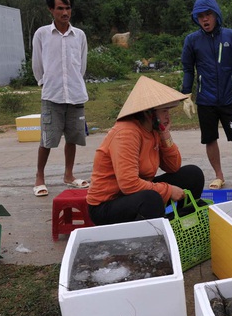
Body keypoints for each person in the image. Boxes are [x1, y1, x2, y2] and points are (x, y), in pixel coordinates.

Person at [87, 76, 205, 225]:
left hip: (135, 193)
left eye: (168, 110)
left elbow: (173, 166)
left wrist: (165, 135)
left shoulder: (154, 129)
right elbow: (129, 184)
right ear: (148, 113)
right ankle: (158, 234)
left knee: (192, 175)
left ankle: (185, 225)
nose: (168, 115)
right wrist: (168, 190)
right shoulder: (126, 133)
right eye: (164, 111)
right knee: (151, 199)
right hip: (107, 205)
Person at [181, 0, 232, 191]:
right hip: (206, 100)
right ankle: (219, 176)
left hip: (229, 97)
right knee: (210, 138)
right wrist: (186, 95)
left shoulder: (231, 36)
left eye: (208, 14)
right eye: (200, 16)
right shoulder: (192, 41)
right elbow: (188, 69)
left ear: (216, 14)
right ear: (196, 19)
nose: (205, 19)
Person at [31, 0, 90, 197]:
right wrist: (44, 83)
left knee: (73, 138)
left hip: (75, 95)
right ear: (51, 10)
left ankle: (69, 175)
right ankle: (39, 178)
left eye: (68, 8)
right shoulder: (42, 34)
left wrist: (73, 83)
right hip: (52, 96)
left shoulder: (79, 36)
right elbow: (37, 64)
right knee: (47, 139)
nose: (65, 12)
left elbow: (81, 66)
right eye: (60, 8)